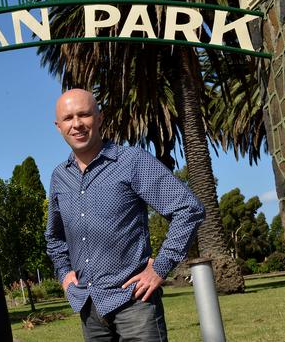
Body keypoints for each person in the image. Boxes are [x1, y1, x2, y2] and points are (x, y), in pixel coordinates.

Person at [45, 89, 204, 341]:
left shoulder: (131, 161)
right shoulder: (59, 177)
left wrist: (160, 267)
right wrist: (64, 274)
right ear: (58, 126)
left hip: (135, 304)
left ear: (99, 118)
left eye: (84, 114)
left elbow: (188, 208)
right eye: (68, 118)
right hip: (88, 307)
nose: (77, 124)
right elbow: (54, 238)